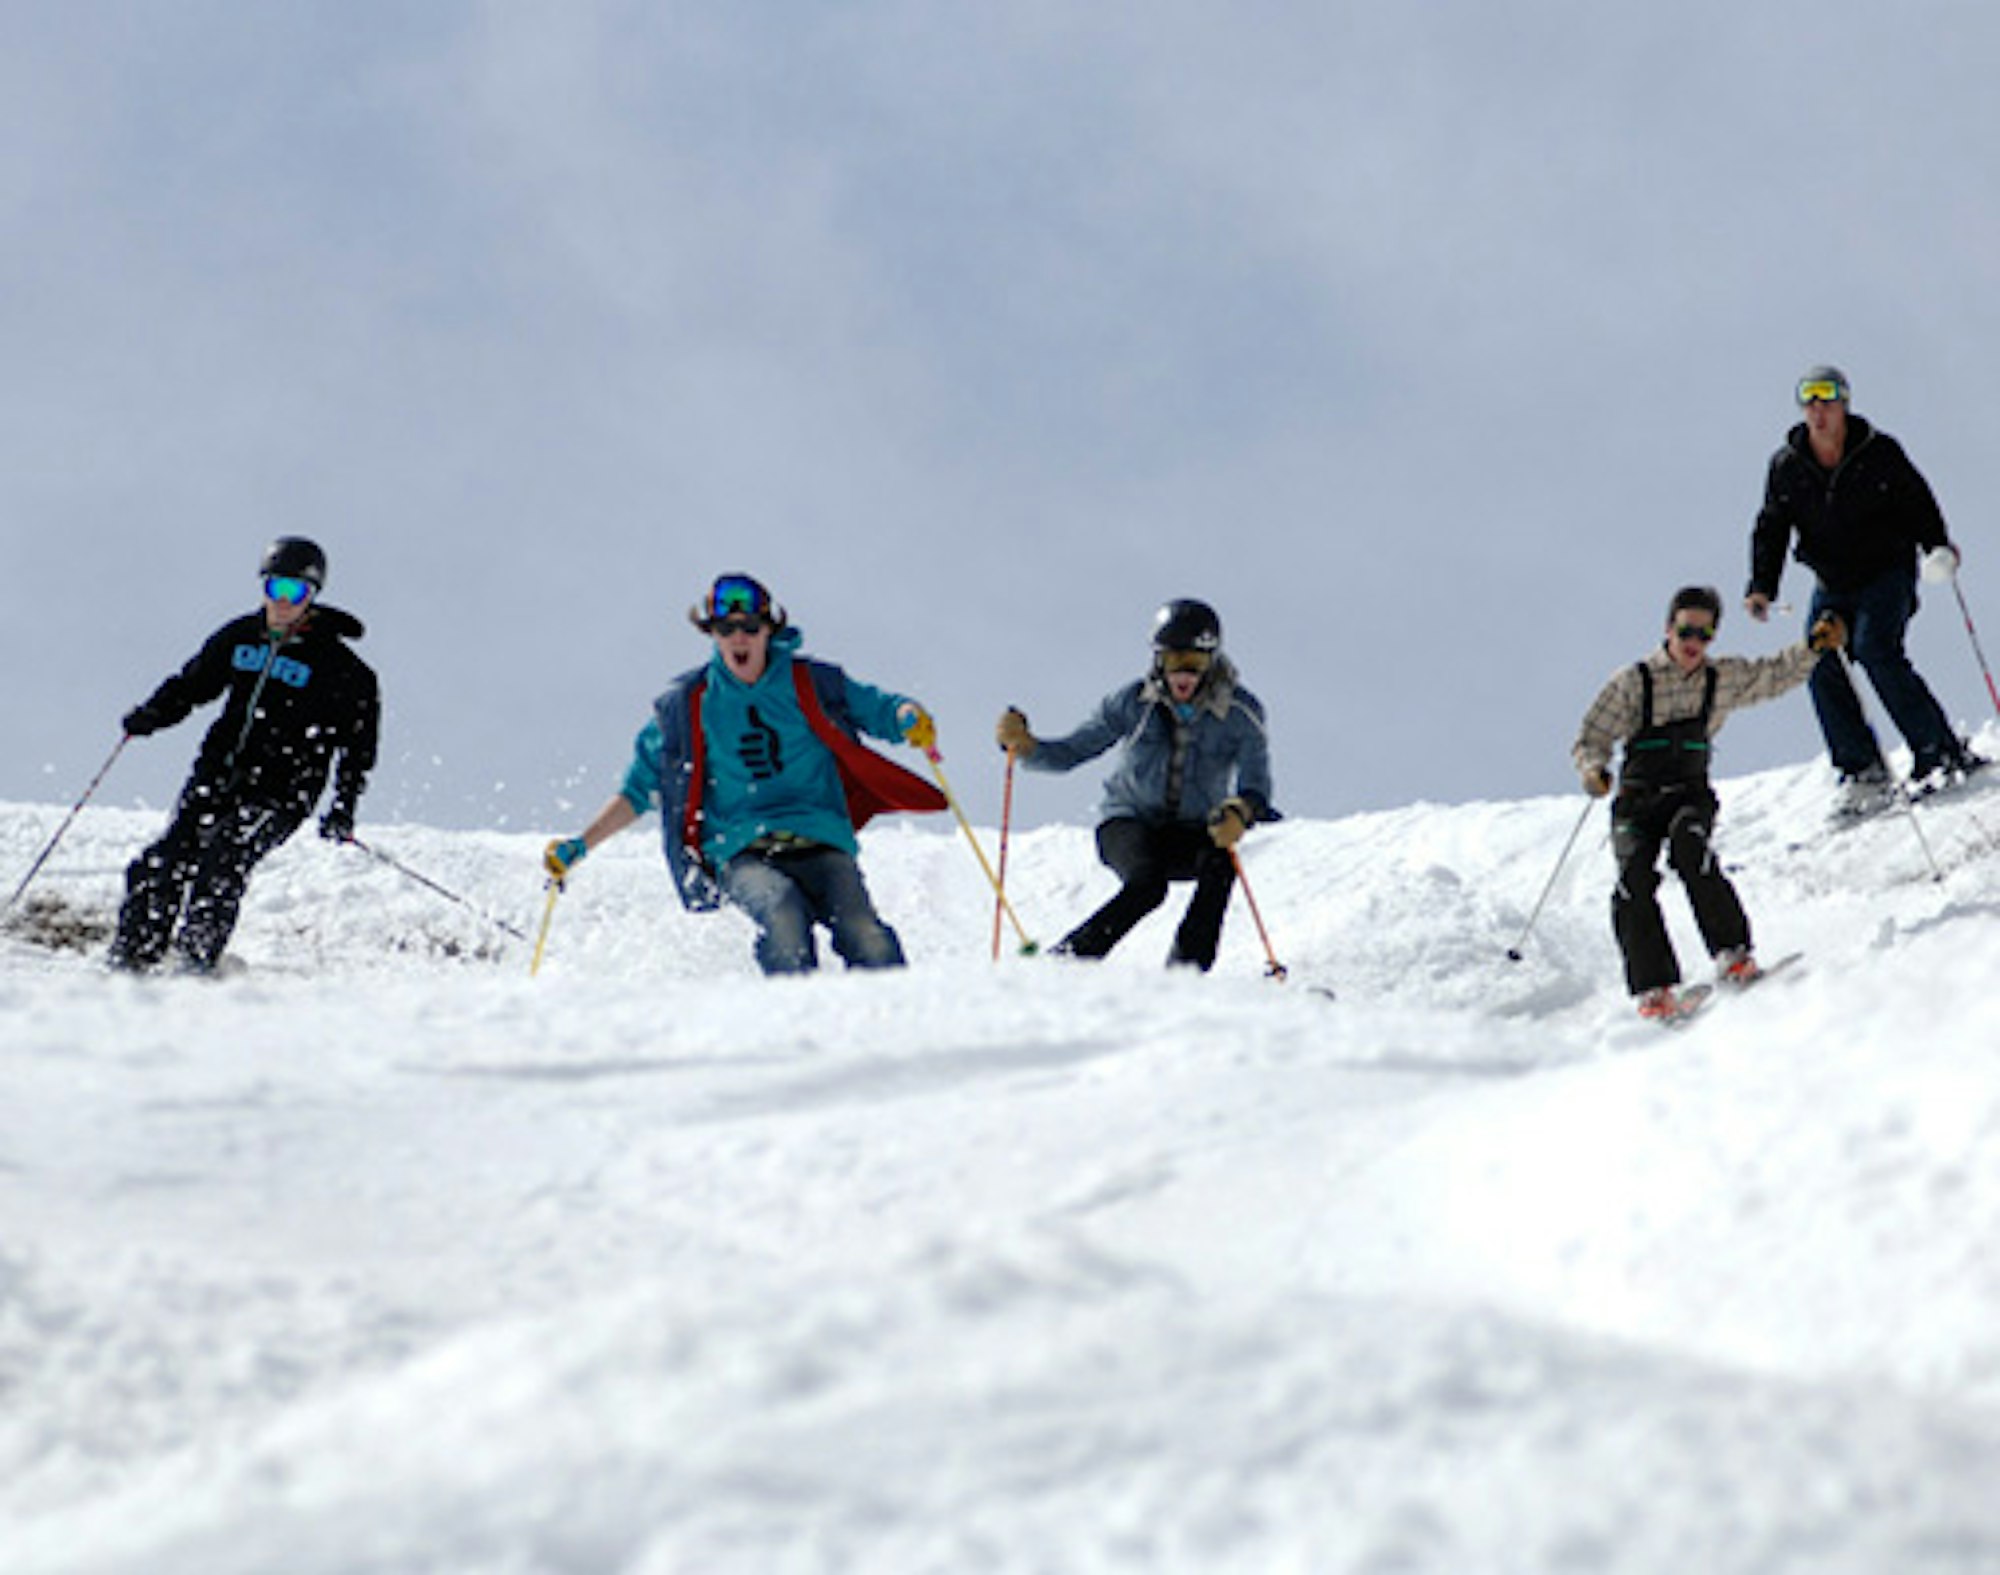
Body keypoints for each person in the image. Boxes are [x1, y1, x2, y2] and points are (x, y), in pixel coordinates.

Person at [543, 573, 944, 975]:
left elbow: (879, 708)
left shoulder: (810, 683)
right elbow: (637, 791)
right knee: (782, 915)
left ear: (769, 629)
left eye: (750, 627)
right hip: (743, 850)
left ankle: (891, 1021)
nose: (739, 638)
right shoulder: (689, 706)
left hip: (820, 840)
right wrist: (580, 845)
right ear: (712, 634)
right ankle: (795, 1017)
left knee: (864, 933)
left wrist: (907, 716)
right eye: (725, 629)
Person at [107, 537, 380, 974]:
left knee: (225, 855)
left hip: (283, 790)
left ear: (313, 597)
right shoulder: (240, 638)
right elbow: (193, 684)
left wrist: (343, 805)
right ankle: (133, 960)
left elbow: (358, 748)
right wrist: (152, 714)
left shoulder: (343, 670)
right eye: (276, 589)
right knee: (163, 860)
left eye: (297, 593)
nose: (284, 602)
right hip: (218, 775)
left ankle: (195, 963)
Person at [1574, 585, 1846, 1020]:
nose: (1693, 643)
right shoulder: (1634, 681)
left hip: (1688, 794)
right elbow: (1593, 737)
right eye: (1686, 631)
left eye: (1704, 635)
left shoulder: (1720, 679)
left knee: (1691, 850)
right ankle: (1655, 990)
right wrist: (1594, 770)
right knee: (1632, 882)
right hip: (1637, 801)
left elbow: (1775, 673)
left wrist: (1814, 647)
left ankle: (1733, 954)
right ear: (1668, 629)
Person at [1746, 363, 1980, 815]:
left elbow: (1917, 500)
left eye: (1827, 399)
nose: (1818, 410)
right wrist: (1761, 586)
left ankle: (1938, 753)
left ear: (1844, 405)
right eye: (1809, 400)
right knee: (1818, 660)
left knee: (1876, 649)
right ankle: (1861, 771)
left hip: (1886, 572)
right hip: (1832, 582)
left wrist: (1936, 545)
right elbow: (1771, 527)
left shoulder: (1878, 452)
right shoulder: (1787, 467)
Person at [995, 598, 1275, 972]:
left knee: (1220, 865)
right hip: (1128, 824)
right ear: (1159, 660)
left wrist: (1240, 811)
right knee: (1148, 885)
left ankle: (1185, 972)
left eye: (1195, 664)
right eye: (1175, 662)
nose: (1184, 676)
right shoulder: (1132, 702)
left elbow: (1256, 782)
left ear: (1212, 662)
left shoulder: (1240, 713)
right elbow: (1072, 752)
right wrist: (1026, 747)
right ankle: (1067, 962)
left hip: (1193, 830)